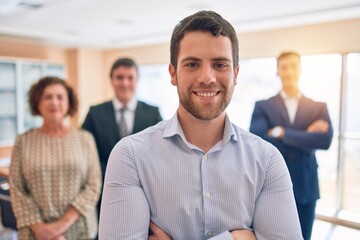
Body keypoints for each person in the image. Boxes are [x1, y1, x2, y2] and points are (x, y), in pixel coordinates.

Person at [99, 10, 302, 240]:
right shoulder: (130, 156)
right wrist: (237, 238)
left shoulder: (267, 161)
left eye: (220, 65)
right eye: (193, 64)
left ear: (235, 74)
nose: (207, 77)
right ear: (173, 73)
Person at [250, 51, 333, 240]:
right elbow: (258, 141)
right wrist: (306, 137)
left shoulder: (318, 107)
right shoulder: (263, 106)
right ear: (277, 72)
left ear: (301, 69)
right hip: (270, 185)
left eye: (293, 66)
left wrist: (281, 133)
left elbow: (324, 140)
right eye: (284, 67)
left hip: (306, 186)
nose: (289, 72)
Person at [9, 76, 102, 240]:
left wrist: (59, 227)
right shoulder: (23, 142)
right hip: (36, 234)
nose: (54, 102)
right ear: (37, 102)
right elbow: (17, 189)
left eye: (60, 97)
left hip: (80, 231)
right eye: (47, 97)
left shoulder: (85, 139)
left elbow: (93, 185)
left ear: (69, 103)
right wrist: (41, 230)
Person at [82, 57, 163, 190]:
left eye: (130, 78)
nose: (125, 83)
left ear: (137, 80)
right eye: (119, 77)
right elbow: (86, 153)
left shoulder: (153, 113)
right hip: (105, 188)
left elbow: (161, 151)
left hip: (144, 187)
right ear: (111, 81)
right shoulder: (94, 114)